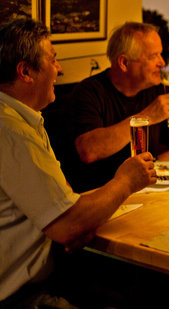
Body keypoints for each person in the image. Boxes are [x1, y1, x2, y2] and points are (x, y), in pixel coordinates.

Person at [0, 19, 156, 307]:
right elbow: (68, 225)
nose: (59, 69)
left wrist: (75, 220)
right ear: (25, 72)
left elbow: (65, 207)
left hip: (48, 278)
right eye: (53, 59)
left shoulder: (23, 119)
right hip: (19, 297)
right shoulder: (12, 132)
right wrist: (125, 181)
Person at [66, 22, 169, 192]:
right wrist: (147, 117)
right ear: (124, 62)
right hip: (100, 195)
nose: (162, 62)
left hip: (145, 192)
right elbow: (89, 151)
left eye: (160, 54)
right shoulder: (89, 92)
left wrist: (155, 164)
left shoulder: (154, 90)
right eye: (153, 56)